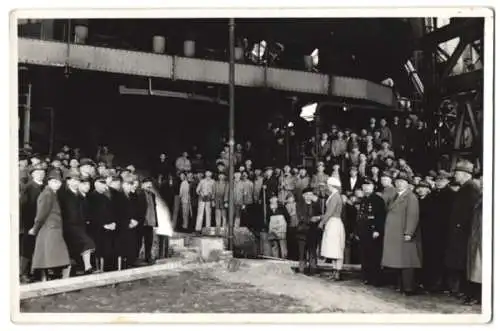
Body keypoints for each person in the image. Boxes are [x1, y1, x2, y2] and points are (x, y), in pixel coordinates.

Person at [444, 160, 481, 299]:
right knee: (459, 261)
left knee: (464, 262)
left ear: (466, 174)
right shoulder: (466, 187)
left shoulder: (470, 188)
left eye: (457, 173)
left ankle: (467, 292)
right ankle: (461, 290)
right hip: (459, 231)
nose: (455, 176)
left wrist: (460, 227)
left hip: (463, 232)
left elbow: (469, 212)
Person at [381, 172, 421, 296]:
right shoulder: (395, 196)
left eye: (402, 182)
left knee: (407, 262)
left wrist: (409, 232)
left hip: (403, 233)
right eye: (397, 182)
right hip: (396, 234)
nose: (399, 184)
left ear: (408, 184)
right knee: (400, 261)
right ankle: (402, 286)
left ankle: (408, 288)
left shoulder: (411, 197)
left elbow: (413, 216)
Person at [29, 170, 71, 281]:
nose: (57, 184)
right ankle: (57, 280)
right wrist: (35, 228)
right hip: (49, 229)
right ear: (49, 182)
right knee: (57, 256)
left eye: (59, 182)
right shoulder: (47, 194)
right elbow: (41, 214)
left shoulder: (52, 193)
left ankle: (48, 280)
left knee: (47, 257)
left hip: (52, 228)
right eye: (54, 181)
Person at [59, 173, 96, 274]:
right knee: (87, 242)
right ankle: (87, 267)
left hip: (81, 226)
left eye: (78, 181)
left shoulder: (80, 195)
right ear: (68, 181)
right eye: (73, 180)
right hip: (69, 226)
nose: (76, 183)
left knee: (83, 245)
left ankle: (85, 267)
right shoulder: (64, 195)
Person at [357, 178, 386, 286]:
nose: (366, 188)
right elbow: (360, 216)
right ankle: (366, 277)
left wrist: (377, 230)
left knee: (374, 255)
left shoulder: (377, 199)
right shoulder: (363, 199)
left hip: (373, 231)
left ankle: (376, 279)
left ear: (373, 187)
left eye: (368, 185)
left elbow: (380, 216)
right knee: (365, 255)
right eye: (364, 186)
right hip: (364, 231)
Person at [19, 164, 45, 283]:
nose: (40, 174)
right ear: (32, 174)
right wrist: (27, 225)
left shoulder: (45, 187)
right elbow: (23, 207)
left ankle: (36, 273)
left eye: (42, 172)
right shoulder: (28, 187)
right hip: (30, 223)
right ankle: (23, 273)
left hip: (43, 223)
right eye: (37, 172)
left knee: (39, 247)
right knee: (28, 247)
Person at [319, 176, 345, 281]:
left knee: (336, 248)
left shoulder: (335, 196)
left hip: (334, 223)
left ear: (332, 186)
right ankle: (335, 271)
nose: (327, 187)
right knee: (333, 249)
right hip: (332, 222)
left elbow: (329, 212)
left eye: (328, 185)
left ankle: (337, 272)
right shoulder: (333, 196)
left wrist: (322, 222)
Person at [88, 177, 116, 272]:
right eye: (102, 184)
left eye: (105, 184)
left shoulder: (105, 197)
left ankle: (108, 267)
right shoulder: (91, 197)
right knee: (101, 246)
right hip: (97, 228)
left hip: (108, 227)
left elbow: (111, 212)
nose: (104, 186)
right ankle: (99, 267)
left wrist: (113, 223)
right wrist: (103, 225)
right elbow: (92, 215)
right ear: (96, 185)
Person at [296, 187, 322, 274]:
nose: (308, 196)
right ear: (303, 196)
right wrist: (311, 219)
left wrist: (318, 218)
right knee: (302, 252)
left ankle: (313, 269)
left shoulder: (315, 205)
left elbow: (320, 215)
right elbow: (301, 217)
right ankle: (301, 269)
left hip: (313, 231)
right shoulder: (299, 205)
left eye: (310, 194)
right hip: (302, 231)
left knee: (313, 251)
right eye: (307, 194)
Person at [465, 176, 482, 305]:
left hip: (483, 238)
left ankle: (478, 296)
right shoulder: (480, 198)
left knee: (479, 268)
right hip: (476, 236)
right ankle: (475, 295)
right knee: (475, 267)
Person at [415, 181, 434, 291]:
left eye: (424, 188)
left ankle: (427, 282)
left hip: (427, 233)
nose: (421, 189)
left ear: (428, 189)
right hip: (417, 232)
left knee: (427, 257)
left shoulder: (431, 201)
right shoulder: (416, 200)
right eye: (419, 187)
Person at [138, 178, 158, 264]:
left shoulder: (152, 195)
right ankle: (136, 258)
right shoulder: (139, 193)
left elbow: (154, 208)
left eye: (150, 184)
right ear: (142, 184)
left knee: (149, 241)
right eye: (147, 184)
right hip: (141, 221)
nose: (149, 186)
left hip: (150, 221)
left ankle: (148, 257)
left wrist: (155, 221)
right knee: (138, 241)